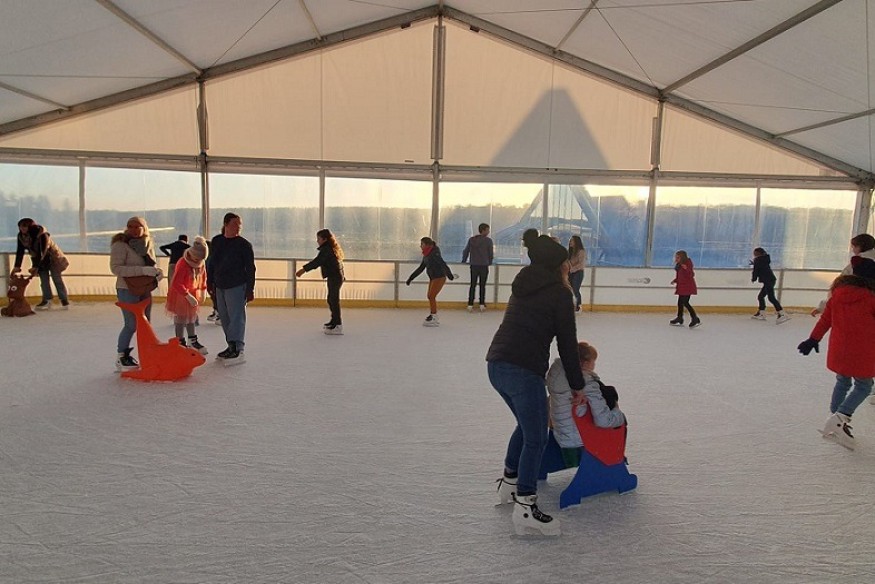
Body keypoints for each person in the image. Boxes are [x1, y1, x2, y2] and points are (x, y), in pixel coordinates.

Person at [487, 234, 582, 536]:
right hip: (523, 370)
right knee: (537, 437)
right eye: (566, 262)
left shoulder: (523, 284)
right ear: (558, 266)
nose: (569, 266)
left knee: (526, 427)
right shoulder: (559, 293)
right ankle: (526, 506)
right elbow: (567, 345)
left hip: (496, 365)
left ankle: (509, 482)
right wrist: (577, 385)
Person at [798, 256, 875, 450]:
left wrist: (813, 339)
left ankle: (835, 419)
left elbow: (825, 320)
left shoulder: (837, 295)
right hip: (863, 351)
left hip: (840, 350)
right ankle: (841, 418)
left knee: (843, 381)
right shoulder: (871, 298)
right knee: (865, 385)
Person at [547, 341, 625, 455]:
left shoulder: (556, 377)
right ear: (585, 363)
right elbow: (603, 421)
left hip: (561, 435)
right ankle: (616, 460)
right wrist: (618, 414)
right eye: (593, 362)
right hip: (578, 439)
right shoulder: (586, 383)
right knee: (618, 423)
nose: (594, 366)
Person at [110, 216, 163, 371]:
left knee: (145, 324)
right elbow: (116, 269)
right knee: (131, 324)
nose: (133, 229)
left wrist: (156, 273)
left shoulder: (147, 244)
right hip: (127, 288)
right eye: (130, 226)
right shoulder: (120, 245)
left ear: (144, 228)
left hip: (144, 288)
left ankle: (147, 354)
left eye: (137, 226)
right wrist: (142, 271)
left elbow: (151, 263)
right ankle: (122, 356)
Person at [208, 213, 256, 365]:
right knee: (225, 317)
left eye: (239, 224)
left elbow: (250, 268)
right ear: (226, 224)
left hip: (236, 285)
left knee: (236, 317)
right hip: (220, 285)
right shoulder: (217, 241)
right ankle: (230, 345)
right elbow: (211, 263)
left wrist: (250, 289)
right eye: (235, 223)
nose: (238, 227)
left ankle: (238, 347)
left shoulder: (244, 244)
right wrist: (210, 282)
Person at [12, 218, 70, 310]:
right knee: (44, 280)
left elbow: (43, 252)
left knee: (56, 278)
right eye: (20, 226)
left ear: (30, 227)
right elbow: (20, 251)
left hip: (53, 258)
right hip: (39, 259)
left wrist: (35, 266)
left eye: (25, 226)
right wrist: (17, 266)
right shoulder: (21, 237)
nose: (22, 229)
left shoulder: (42, 235)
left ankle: (64, 300)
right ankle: (47, 300)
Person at [811, 233, 875, 316]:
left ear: (859, 247)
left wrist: (823, 307)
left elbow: (839, 286)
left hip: (858, 307)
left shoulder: (857, 264)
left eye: (853, 247)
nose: (852, 250)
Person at [296, 229, 346, 335]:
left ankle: (338, 324)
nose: (317, 240)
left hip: (335, 277)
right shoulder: (328, 248)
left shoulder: (326, 250)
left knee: (333, 300)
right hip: (335, 276)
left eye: (318, 238)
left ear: (324, 239)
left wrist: (303, 270)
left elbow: (317, 262)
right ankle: (334, 321)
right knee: (331, 299)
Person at [165, 236, 209, 354]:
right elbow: (176, 283)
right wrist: (187, 295)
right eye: (196, 258)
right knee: (181, 318)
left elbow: (203, 278)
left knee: (191, 318)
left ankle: (192, 340)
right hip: (181, 294)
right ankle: (179, 341)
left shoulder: (201, 263)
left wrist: (203, 290)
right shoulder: (183, 263)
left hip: (193, 293)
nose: (197, 262)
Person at [405, 236, 454, 327]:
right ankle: (433, 314)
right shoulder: (426, 255)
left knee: (431, 296)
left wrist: (449, 274)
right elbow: (421, 268)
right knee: (430, 296)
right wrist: (411, 278)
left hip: (439, 277)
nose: (420, 246)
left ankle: (434, 317)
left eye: (422, 244)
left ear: (427, 245)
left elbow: (442, 263)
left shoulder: (434, 253)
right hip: (433, 277)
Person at [750, 247, 790, 324]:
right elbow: (761, 267)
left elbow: (756, 270)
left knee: (771, 298)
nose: (754, 254)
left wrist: (754, 278)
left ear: (759, 253)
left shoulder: (758, 260)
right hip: (770, 280)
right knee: (761, 296)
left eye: (755, 253)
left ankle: (781, 313)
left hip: (768, 280)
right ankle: (762, 313)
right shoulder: (764, 259)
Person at [461, 223, 494, 313]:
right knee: (482, 285)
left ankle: (470, 304)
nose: (488, 231)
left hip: (474, 265)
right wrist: (490, 261)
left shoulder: (472, 240)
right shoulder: (488, 241)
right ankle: (482, 303)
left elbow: (466, 251)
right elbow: (490, 253)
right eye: (487, 230)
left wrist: (463, 261)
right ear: (483, 230)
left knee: (473, 285)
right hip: (484, 265)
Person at [670, 250, 700, 328]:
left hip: (688, 287)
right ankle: (680, 318)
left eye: (678, 257)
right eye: (676, 257)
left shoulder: (687, 263)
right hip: (682, 287)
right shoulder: (679, 265)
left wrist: (686, 269)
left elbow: (691, 274)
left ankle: (695, 318)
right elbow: (680, 276)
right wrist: (675, 280)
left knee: (685, 302)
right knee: (680, 302)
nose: (676, 259)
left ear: (682, 257)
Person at [567, 235, 587, 312]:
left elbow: (581, 264)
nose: (570, 242)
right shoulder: (570, 252)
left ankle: (578, 306)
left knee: (575, 289)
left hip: (578, 273)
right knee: (570, 289)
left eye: (572, 240)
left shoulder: (581, 251)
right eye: (570, 240)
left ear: (576, 242)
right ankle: (572, 305)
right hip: (570, 272)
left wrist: (572, 269)